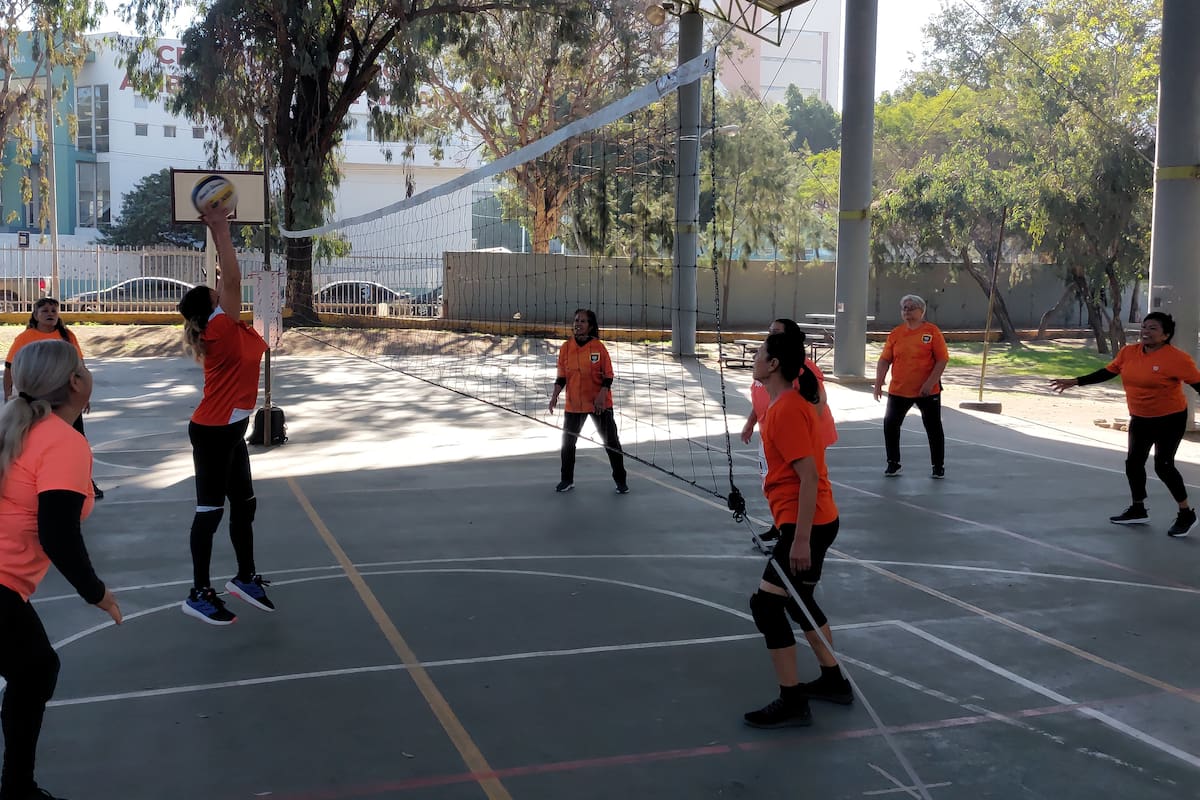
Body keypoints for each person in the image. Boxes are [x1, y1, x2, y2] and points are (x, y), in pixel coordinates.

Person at [0, 339, 122, 800]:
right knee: (34, 670)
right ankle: (16, 789)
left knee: (32, 670)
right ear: (75, 382)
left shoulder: (15, 428)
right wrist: (98, 592)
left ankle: (16, 787)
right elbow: (58, 533)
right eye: (84, 366)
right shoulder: (62, 443)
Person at [744, 330, 851, 729]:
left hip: (808, 525)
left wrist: (800, 539)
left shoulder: (787, 408)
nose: (754, 357)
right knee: (796, 600)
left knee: (767, 606)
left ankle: (791, 702)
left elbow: (807, 478)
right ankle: (833, 681)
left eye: (758, 353)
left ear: (773, 365)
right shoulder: (782, 404)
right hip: (813, 519)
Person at [176, 205, 272, 625]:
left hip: (232, 430)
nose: (225, 290)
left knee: (245, 504)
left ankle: (244, 576)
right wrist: (220, 227)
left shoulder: (220, 323)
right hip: (214, 432)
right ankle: (198, 591)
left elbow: (224, 279)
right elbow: (231, 277)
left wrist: (218, 237)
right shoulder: (220, 327)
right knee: (210, 511)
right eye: (218, 293)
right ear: (213, 305)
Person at [1051, 312, 1200, 537]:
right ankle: (1138, 509)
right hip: (1140, 417)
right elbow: (1107, 372)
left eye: (1153, 329)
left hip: (1170, 418)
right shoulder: (1129, 352)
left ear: (1165, 335)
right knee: (1133, 463)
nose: (1145, 332)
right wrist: (1076, 382)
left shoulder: (1177, 359)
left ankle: (1186, 513)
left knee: (1164, 465)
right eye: (1144, 327)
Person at [741, 318, 837, 544]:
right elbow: (760, 397)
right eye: (770, 331)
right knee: (778, 480)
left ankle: (793, 531)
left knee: (800, 478)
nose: (771, 335)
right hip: (776, 430)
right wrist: (751, 422)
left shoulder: (796, 369)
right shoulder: (768, 369)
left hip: (793, 432)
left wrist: (800, 427)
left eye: (777, 332)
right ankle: (783, 525)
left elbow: (819, 399)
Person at [4, 299, 103, 499]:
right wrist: (8, 394)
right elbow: (9, 368)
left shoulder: (67, 336)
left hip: (66, 396)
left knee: (77, 438)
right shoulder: (26, 338)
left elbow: (79, 365)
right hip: (40, 397)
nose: (50, 313)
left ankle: (85, 482)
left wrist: (84, 395)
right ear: (35, 315)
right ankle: (33, 481)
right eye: (45, 310)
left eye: (54, 310)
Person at [547, 308, 629, 494]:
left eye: (583, 321)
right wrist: (554, 395)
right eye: (576, 320)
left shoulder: (598, 347)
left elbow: (608, 375)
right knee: (568, 443)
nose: (578, 323)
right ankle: (566, 480)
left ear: (590, 326)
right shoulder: (566, 348)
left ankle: (621, 480)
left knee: (611, 442)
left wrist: (602, 395)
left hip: (599, 404)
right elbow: (561, 377)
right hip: (575, 404)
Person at [873, 294, 949, 479]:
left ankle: (938, 466)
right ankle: (893, 463)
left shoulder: (931, 331)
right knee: (890, 424)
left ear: (921, 311)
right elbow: (884, 360)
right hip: (899, 389)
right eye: (904, 308)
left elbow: (942, 359)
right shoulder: (896, 333)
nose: (907, 311)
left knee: (933, 428)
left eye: (911, 307)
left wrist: (929, 383)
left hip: (926, 390)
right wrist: (878, 384)